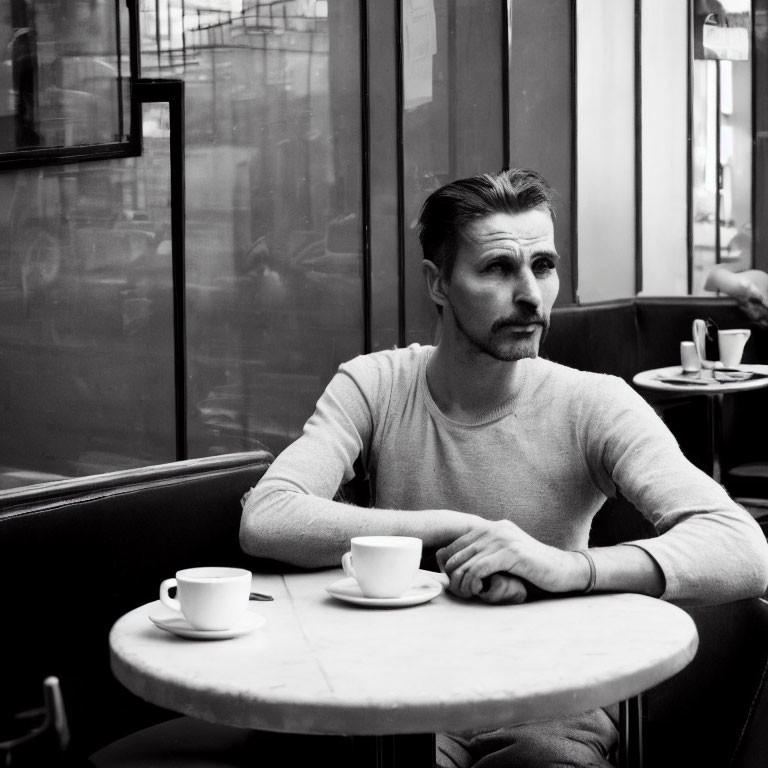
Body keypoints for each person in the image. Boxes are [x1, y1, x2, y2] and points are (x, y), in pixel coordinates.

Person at [240, 168, 768, 768]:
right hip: (404, 690)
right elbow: (269, 515)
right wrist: (449, 527)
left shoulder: (594, 402)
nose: (531, 295)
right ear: (438, 283)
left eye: (543, 266)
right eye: (497, 268)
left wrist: (568, 568)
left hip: (549, 704)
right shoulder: (376, 383)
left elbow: (744, 549)